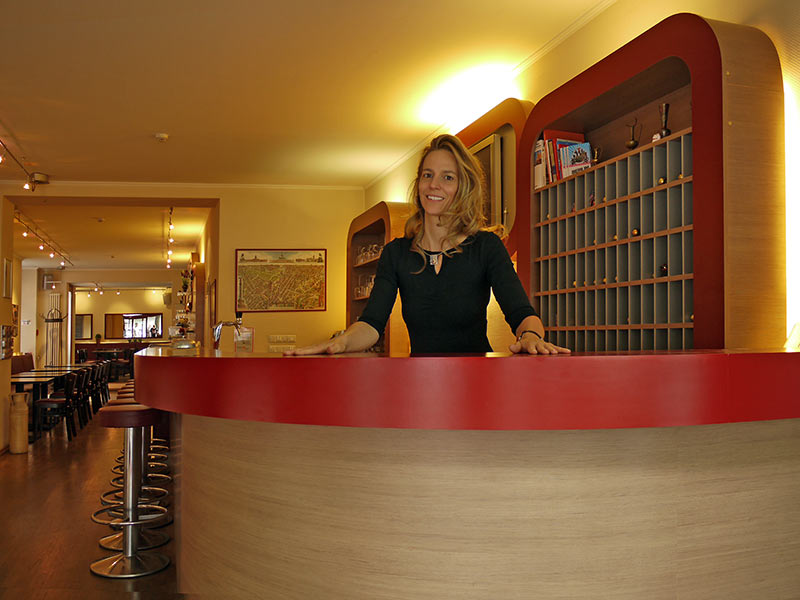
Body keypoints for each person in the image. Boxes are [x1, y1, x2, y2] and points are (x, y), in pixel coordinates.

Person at [287, 134, 570, 356]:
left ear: (463, 187)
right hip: (420, 383)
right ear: (419, 183)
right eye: (427, 175)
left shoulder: (487, 247)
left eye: (448, 177)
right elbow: (371, 324)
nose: (434, 184)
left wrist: (530, 337)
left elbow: (522, 314)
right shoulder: (396, 253)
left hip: (477, 381)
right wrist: (341, 343)